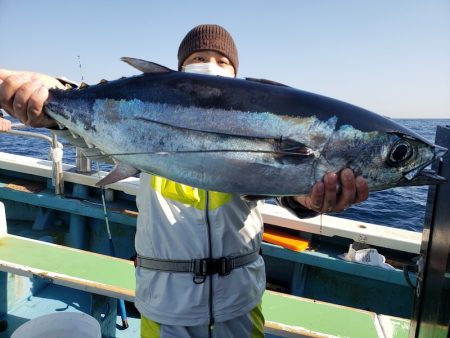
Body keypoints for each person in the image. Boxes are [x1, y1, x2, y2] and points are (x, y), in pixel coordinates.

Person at [0, 24, 369, 338]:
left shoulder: (256, 124)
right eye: (198, 59)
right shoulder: (146, 112)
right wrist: (49, 94)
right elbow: (107, 108)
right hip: (165, 306)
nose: (211, 65)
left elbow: (287, 189)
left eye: (223, 61)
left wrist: (313, 199)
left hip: (239, 302)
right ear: (177, 72)